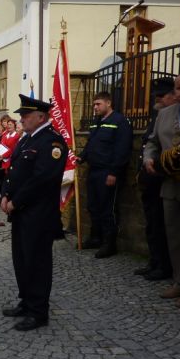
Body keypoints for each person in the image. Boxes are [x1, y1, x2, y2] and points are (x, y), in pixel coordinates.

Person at [1, 94, 67, 331]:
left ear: (41, 117)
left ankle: (38, 311)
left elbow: (42, 179)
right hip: (20, 211)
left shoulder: (52, 143)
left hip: (39, 213)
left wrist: (16, 201)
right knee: (21, 258)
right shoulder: (27, 140)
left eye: (26, 115)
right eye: (21, 115)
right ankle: (26, 301)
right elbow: (14, 170)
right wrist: (6, 194)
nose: (22, 120)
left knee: (37, 261)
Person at [143, 71, 180, 308]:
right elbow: (152, 142)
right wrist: (149, 158)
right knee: (175, 238)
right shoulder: (164, 114)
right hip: (169, 187)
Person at [77, 91, 133, 258]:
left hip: (108, 172)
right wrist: (81, 157)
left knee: (107, 208)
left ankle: (110, 244)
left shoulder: (119, 121)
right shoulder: (96, 122)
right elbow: (91, 144)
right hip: (93, 170)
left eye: (98, 104)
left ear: (108, 103)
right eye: (94, 104)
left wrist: (114, 172)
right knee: (93, 206)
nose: (95, 107)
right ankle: (96, 238)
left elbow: (122, 150)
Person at [136, 90, 175, 281]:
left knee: (161, 225)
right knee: (152, 224)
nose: (157, 99)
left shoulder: (175, 119)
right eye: (156, 96)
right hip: (149, 181)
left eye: (162, 95)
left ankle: (164, 266)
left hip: (163, 180)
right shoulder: (159, 117)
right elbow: (150, 143)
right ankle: (154, 261)